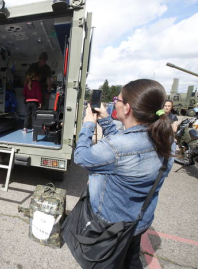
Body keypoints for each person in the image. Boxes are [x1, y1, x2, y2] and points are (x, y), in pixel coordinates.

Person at [74, 79, 174, 268]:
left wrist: (88, 125)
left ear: (127, 108)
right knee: (131, 259)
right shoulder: (166, 138)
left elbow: (81, 157)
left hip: (111, 226)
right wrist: (105, 120)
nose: (115, 102)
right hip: (138, 223)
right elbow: (126, 143)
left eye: (117, 99)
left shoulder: (118, 148)